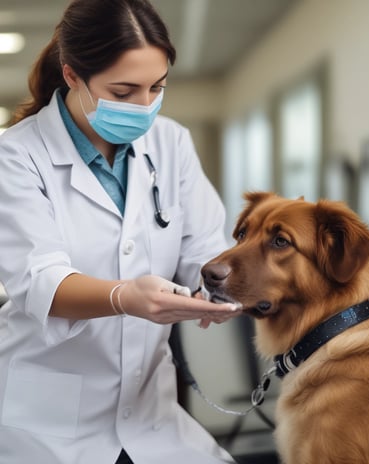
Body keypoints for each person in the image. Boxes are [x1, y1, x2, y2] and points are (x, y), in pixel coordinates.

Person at [0, 0, 242, 462]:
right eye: (124, 90)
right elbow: (41, 283)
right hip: (45, 423)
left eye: (157, 87)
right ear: (73, 76)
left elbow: (207, 252)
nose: (145, 106)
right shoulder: (16, 156)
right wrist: (123, 298)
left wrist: (210, 294)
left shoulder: (170, 142)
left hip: (150, 409)